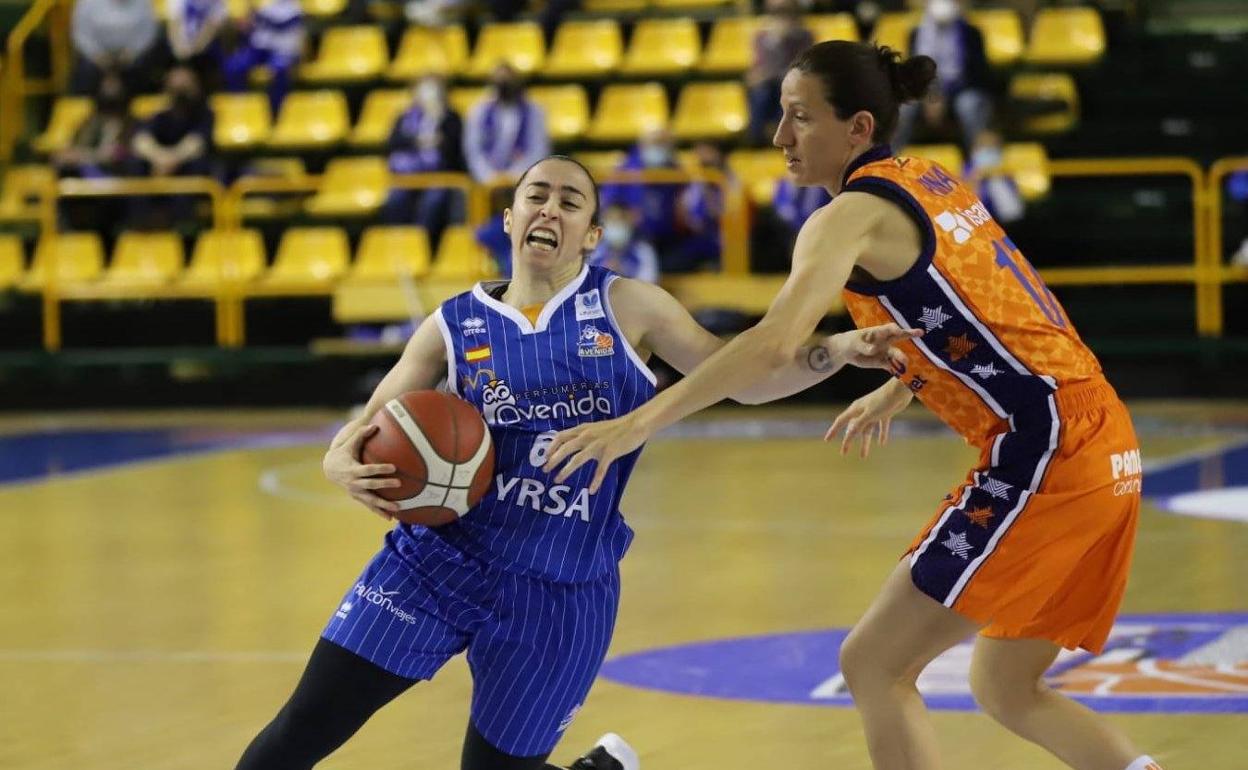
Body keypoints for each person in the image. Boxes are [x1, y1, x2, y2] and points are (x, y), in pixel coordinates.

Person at [541, 41, 1165, 770]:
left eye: (801, 119)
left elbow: (775, 344)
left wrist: (635, 423)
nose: (779, 138)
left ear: (859, 128)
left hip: (1048, 447)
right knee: (1006, 685)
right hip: (1103, 436)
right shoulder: (929, 177)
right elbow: (999, 312)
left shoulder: (848, 217)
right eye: (781, 116)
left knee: (874, 665)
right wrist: (909, 381)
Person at [233, 154, 910, 770]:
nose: (549, 209)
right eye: (536, 195)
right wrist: (336, 461)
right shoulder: (453, 322)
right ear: (509, 218)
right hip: (436, 564)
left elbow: (743, 376)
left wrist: (834, 353)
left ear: (590, 233)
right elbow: (372, 423)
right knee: (300, 731)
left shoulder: (629, 306)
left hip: (561, 587)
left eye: (569, 201)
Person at [893, 0, 993, 151]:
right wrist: (931, 95)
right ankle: (891, 158)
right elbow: (912, 74)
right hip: (924, 92)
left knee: (970, 105)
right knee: (903, 108)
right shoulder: (916, 34)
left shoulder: (972, 34)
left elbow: (979, 76)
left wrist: (945, 93)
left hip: (960, 91)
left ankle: (978, 159)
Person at [383, 75, 467, 249]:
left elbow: (454, 152)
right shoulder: (404, 118)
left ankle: (421, 247)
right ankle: (398, 247)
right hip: (409, 178)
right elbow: (393, 144)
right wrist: (417, 141)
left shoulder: (451, 118)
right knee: (395, 200)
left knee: (432, 202)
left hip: (440, 178)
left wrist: (438, 126)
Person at [463, 64, 550, 185]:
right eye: (500, 81)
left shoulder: (533, 110)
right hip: (487, 181)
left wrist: (515, 176)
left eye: (508, 81)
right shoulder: (480, 111)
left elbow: (538, 150)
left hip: (523, 180)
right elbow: (473, 151)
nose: (504, 85)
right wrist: (489, 177)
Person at [747, 0, 815, 145]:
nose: (781, 18)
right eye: (776, 12)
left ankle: (787, 135)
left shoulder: (804, 36)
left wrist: (783, 42)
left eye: (785, 12)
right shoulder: (762, 37)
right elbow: (759, 68)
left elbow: (802, 67)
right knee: (761, 93)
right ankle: (757, 139)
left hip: (791, 83)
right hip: (768, 84)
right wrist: (775, 43)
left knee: (786, 89)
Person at [224, 0, 305, 115]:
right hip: (260, 50)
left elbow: (280, 24)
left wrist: (259, 16)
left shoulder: (295, 7)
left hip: (284, 51)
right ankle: (240, 109)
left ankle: (274, 114)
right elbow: (254, 31)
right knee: (234, 66)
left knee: (280, 70)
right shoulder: (267, 5)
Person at [70, 0, 162, 96]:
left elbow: (148, 33)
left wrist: (132, 52)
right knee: (86, 72)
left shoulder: (143, 3)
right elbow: (81, 35)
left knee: (142, 69)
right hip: (96, 58)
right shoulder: (86, 3)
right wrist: (98, 56)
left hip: (132, 56)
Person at [166, 0, 228, 91]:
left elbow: (212, 27)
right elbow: (173, 25)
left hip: (205, 50)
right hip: (180, 50)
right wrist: (178, 49)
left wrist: (194, 49)